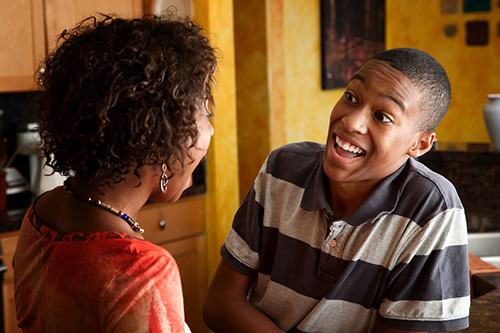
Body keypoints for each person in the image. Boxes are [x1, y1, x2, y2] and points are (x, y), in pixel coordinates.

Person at [203, 48, 470, 332]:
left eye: (382, 116)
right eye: (351, 97)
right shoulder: (282, 170)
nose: (352, 122)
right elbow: (219, 303)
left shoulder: (431, 210)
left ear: (420, 145)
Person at [13, 14, 216, 332]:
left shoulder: (40, 214)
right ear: (160, 140)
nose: (211, 130)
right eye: (204, 113)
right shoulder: (142, 271)